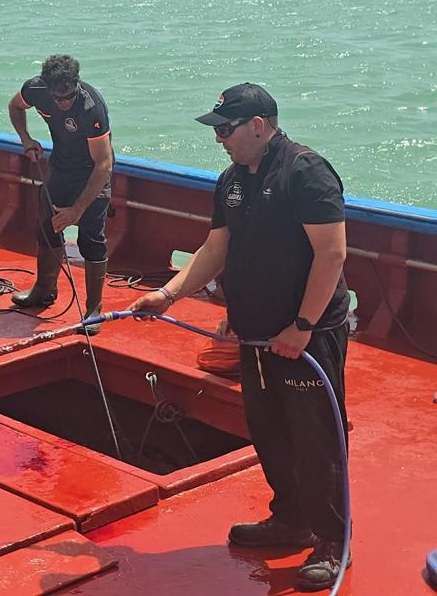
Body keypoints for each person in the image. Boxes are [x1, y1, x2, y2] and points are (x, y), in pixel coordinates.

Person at [129, 83, 350, 591]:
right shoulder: (231, 180)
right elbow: (215, 247)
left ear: (258, 124)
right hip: (252, 336)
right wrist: (168, 295)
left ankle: (334, 541)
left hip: (305, 336)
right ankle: (291, 518)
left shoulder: (304, 171)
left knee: (317, 437)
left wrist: (302, 327)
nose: (219, 140)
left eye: (226, 129)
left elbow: (331, 253)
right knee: (269, 429)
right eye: (216, 130)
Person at [7, 54, 114, 333]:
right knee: (47, 227)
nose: (62, 102)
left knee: (91, 238)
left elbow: (104, 164)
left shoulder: (92, 107)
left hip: (93, 173)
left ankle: (93, 309)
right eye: (57, 97)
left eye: (68, 97)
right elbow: (15, 106)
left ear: (76, 85)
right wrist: (27, 139)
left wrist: (77, 210)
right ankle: (44, 289)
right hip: (61, 168)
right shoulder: (35, 89)